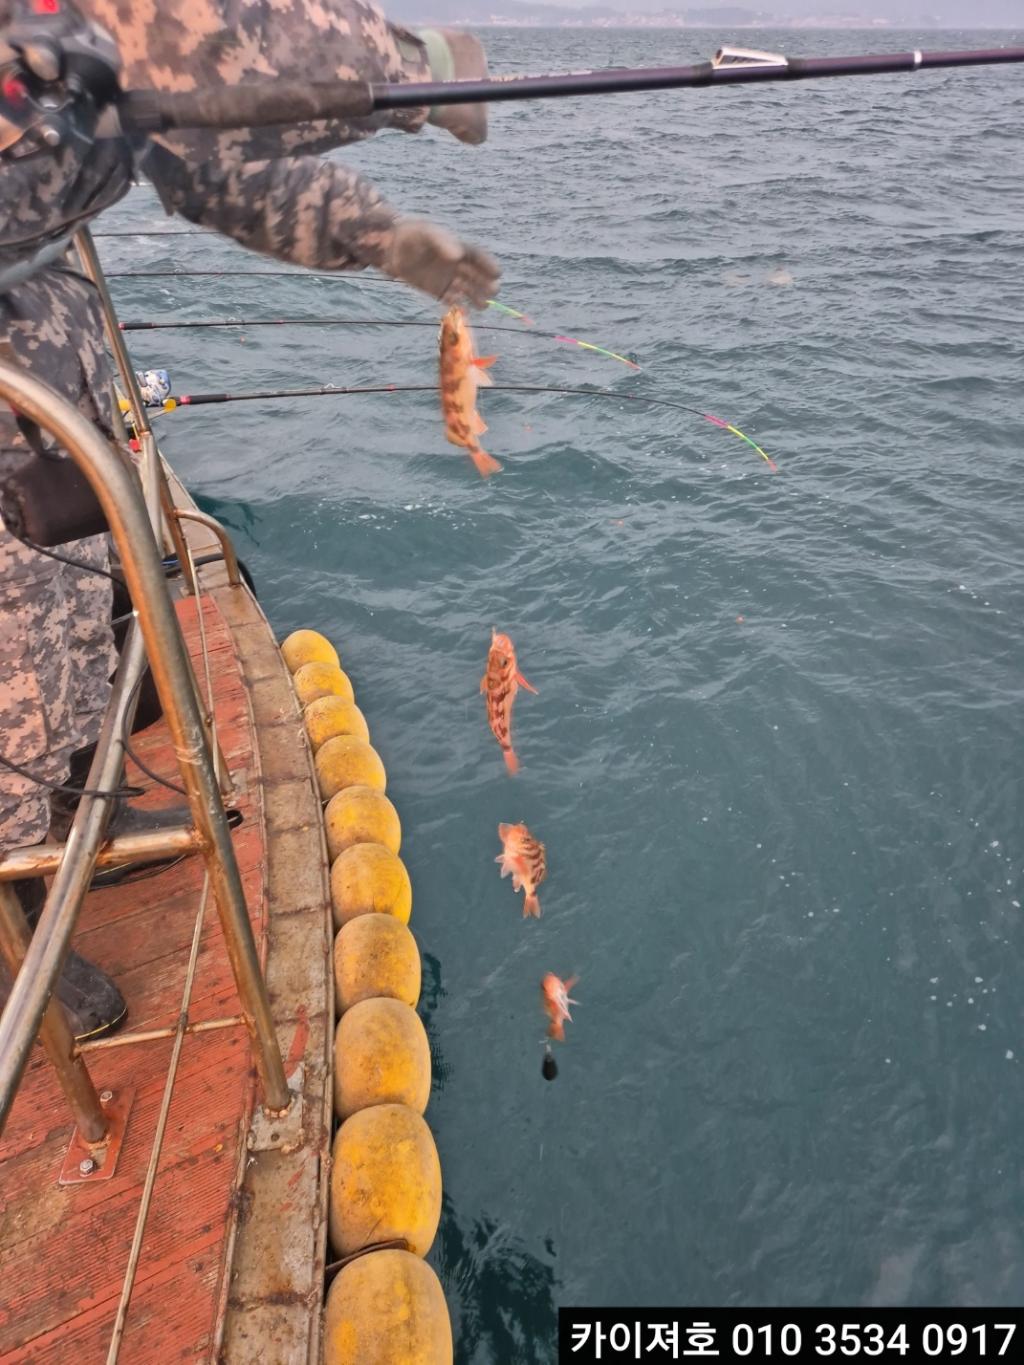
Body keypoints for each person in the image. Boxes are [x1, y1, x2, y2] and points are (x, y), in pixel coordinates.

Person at [0, 0, 500, 1038]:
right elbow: (201, 45)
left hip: (40, 366)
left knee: (73, 610)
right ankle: (13, 927)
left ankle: (66, 814)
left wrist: (377, 235)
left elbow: (199, 150)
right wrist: (416, 76)